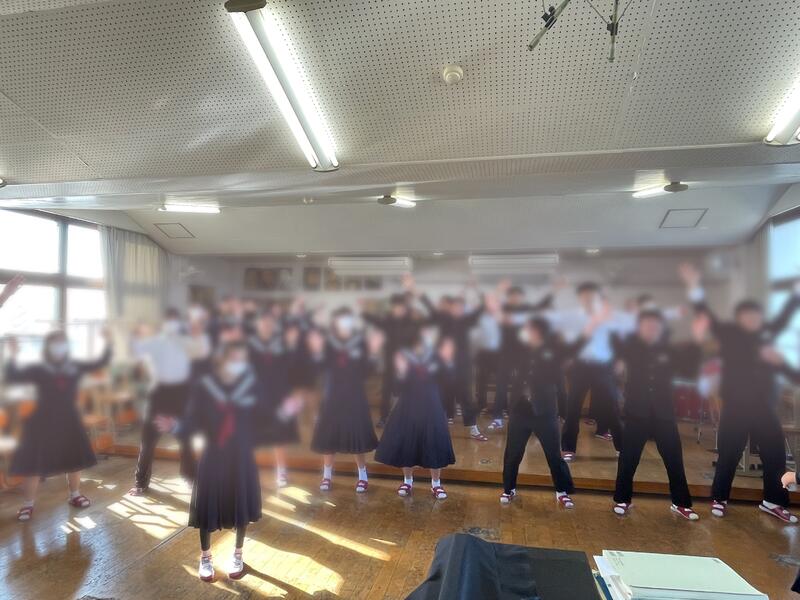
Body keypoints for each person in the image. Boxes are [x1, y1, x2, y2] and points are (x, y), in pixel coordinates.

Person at [155, 341, 302, 582]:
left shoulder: (252, 387)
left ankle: (237, 555)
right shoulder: (205, 387)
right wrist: (176, 426)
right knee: (207, 505)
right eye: (234, 358)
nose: (238, 364)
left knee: (240, 505)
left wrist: (284, 413)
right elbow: (193, 420)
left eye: (242, 359)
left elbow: (264, 420)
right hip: (213, 454)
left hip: (241, 456)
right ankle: (205, 557)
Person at [681, 263, 800, 522]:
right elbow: (706, 314)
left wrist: (795, 293)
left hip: (764, 407)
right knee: (729, 454)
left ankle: (773, 501)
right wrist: (694, 286)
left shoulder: (767, 334)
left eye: (755, 316)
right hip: (736, 406)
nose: (752, 320)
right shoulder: (729, 335)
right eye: (747, 316)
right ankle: (720, 498)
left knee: (775, 455)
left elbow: (786, 315)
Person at [500, 312, 605, 508]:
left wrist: (591, 326)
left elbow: (575, 347)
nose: (528, 332)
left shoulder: (554, 352)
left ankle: (562, 491)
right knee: (513, 453)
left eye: (532, 329)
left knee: (554, 455)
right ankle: (509, 488)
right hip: (520, 411)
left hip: (545, 412)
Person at [5, 329, 112, 521]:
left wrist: (108, 342)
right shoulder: (38, 368)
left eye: (62, 342)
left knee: (74, 458)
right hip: (42, 419)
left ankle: (75, 495)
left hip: (69, 419)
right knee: (33, 462)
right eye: (55, 342)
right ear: (48, 347)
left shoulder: (75, 365)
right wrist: (12, 355)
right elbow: (14, 376)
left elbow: (100, 362)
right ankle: (28, 504)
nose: (59, 346)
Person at [610, 310, 705, 520]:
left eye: (655, 325)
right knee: (628, 459)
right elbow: (614, 361)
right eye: (646, 325)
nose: (651, 329)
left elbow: (689, 369)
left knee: (674, 459)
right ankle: (622, 499)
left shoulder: (669, 350)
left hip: (664, 413)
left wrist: (697, 341)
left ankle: (681, 503)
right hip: (637, 412)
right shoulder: (630, 347)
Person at [543, 282, 631, 460]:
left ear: (597, 297)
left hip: (603, 367)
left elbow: (618, 340)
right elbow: (566, 342)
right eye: (585, 296)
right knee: (572, 409)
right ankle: (568, 447)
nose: (588, 299)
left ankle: (622, 447)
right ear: (580, 298)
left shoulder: (607, 317)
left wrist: (621, 359)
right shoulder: (573, 318)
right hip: (579, 367)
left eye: (591, 296)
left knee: (612, 408)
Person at [128, 308, 210, 496]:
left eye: (175, 321)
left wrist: (198, 329)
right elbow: (136, 349)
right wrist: (136, 331)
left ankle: (190, 478)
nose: (171, 325)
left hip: (181, 393)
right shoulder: (155, 342)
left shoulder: (186, 342)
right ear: (163, 323)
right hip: (158, 392)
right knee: (148, 440)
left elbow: (203, 350)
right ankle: (140, 482)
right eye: (168, 321)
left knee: (185, 439)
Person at [307, 308, 383, 493]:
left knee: (357, 436)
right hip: (333, 395)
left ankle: (363, 476)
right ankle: (327, 476)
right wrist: (316, 352)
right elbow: (320, 368)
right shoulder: (328, 343)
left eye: (347, 319)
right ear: (335, 322)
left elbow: (367, 372)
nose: (344, 322)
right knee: (329, 436)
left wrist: (373, 353)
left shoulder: (360, 342)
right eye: (341, 319)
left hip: (354, 394)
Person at [374, 326, 456, 499]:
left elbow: (448, 382)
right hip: (408, 406)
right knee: (407, 442)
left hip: (431, 405)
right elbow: (396, 389)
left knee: (434, 442)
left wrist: (448, 362)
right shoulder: (403, 356)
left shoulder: (436, 356)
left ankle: (436, 484)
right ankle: (407, 481)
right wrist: (401, 372)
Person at [410, 277, 488, 441]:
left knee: (466, 397)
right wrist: (412, 287)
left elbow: (483, 306)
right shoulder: (443, 318)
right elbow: (427, 303)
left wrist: (476, 288)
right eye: (455, 307)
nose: (458, 309)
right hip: (443, 366)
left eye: (461, 307)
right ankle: (441, 424)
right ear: (451, 308)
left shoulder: (467, 320)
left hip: (462, 366)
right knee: (442, 395)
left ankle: (473, 428)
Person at [247, 312, 303, 488]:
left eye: (269, 323)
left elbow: (292, 368)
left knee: (279, 434)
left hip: (279, 394)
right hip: (256, 395)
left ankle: (281, 470)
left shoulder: (282, 344)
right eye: (263, 323)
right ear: (257, 325)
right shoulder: (249, 345)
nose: (266, 326)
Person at [490, 281, 553, 431]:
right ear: (509, 297)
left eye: (518, 296)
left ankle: (515, 414)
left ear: (521, 297)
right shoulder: (504, 308)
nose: (515, 298)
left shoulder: (527, 309)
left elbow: (541, 306)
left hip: (523, 353)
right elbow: (491, 305)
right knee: (501, 385)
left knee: (520, 385)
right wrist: (498, 290)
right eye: (512, 296)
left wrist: (554, 290)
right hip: (505, 353)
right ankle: (497, 418)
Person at [360, 290, 422, 427]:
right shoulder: (388, 320)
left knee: (406, 390)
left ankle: (406, 417)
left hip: (405, 362)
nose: (397, 310)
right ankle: (384, 417)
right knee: (387, 390)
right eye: (395, 307)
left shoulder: (411, 321)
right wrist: (364, 310)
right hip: (390, 361)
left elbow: (416, 340)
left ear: (404, 308)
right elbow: (374, 320)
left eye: (400, 307)